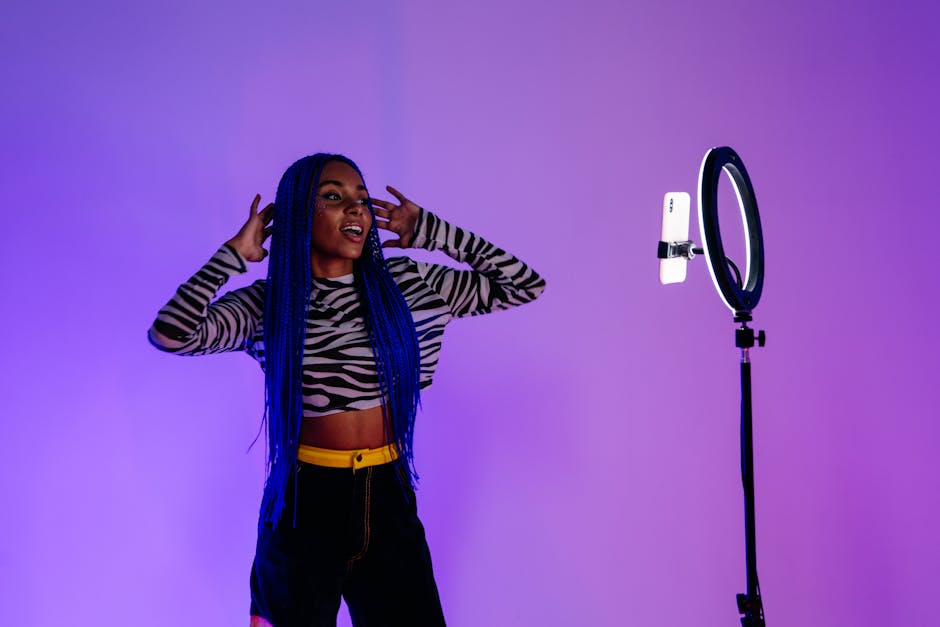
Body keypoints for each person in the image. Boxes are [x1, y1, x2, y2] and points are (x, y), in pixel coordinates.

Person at [148, 154, 546, 626]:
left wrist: (435, 233)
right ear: (298, 212)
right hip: (304, 501)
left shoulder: (413, 285)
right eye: (334, 197)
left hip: (389, 494)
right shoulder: (269, 303)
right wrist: (232, 256)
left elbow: (524, 284)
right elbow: (171, 333)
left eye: (361, 199)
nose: (355, 209)